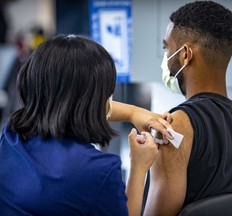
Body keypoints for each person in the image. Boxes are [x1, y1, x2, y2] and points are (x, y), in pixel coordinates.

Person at [113, 1, 232, 215]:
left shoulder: (174, 127)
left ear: (185, 54)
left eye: (166, 48)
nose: (165, 58)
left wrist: (137, 167)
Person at [0, 34, 169, 216]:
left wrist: (134, 113)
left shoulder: (12, 133)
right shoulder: (97, 171)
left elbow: (68, 103)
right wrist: (139, 167)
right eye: (106, 96)